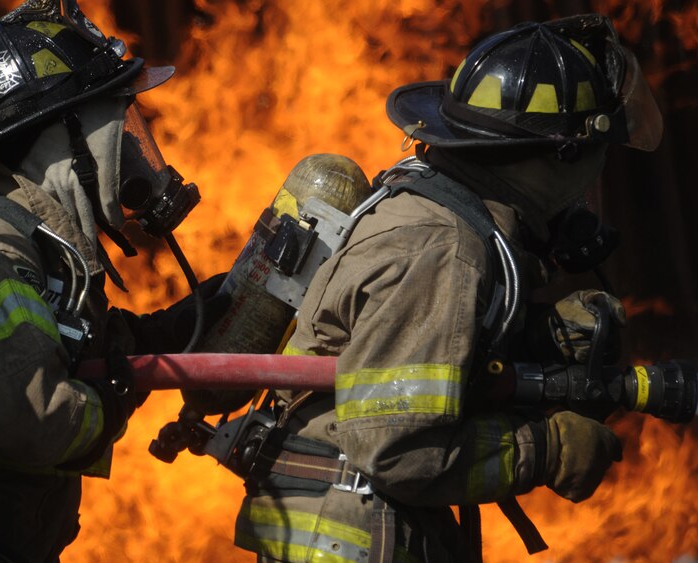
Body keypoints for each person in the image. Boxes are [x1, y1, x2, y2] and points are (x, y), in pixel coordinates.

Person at [231, 14, 662, 562]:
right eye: (597, 152)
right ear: (559, 155)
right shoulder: (443, 247)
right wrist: (546, 449)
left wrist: (534, 336)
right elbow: (400, 450)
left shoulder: (443, 220)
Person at [0, 0, 226, 561]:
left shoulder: (25, 240)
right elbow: (29, 415)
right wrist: (109, 403)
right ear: (60, 143)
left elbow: (50, 340)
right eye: (120, 128)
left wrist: (158, 336)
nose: (134, 151)